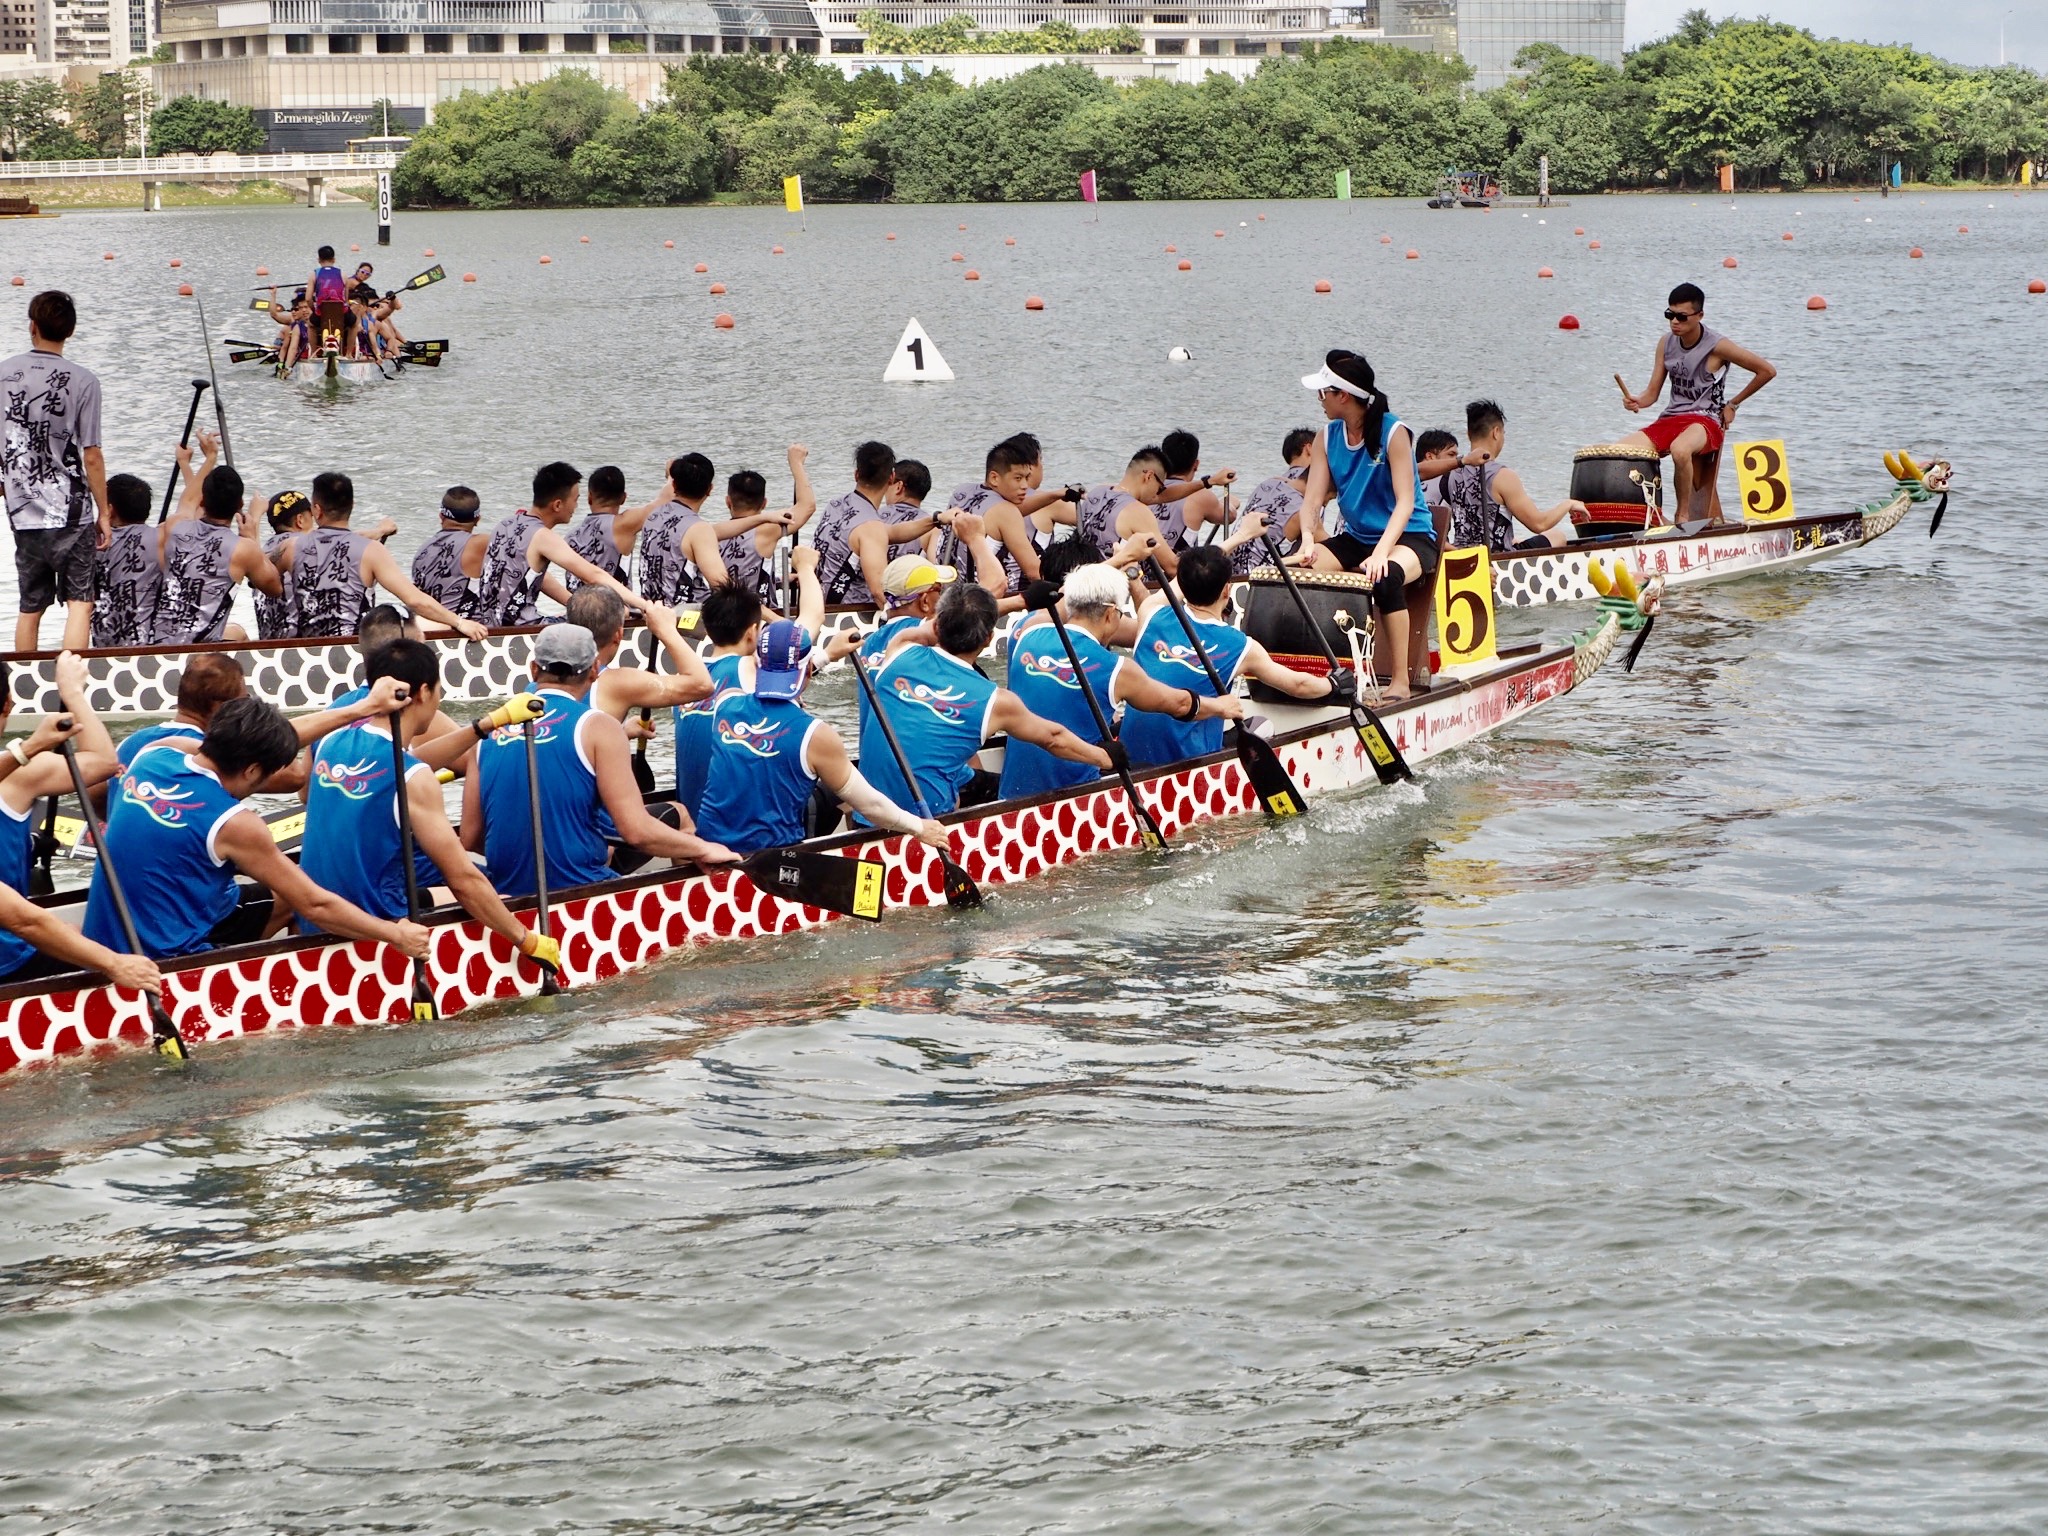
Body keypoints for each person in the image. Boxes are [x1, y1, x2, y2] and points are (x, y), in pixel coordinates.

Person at [83, 691, 432, 961]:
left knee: (274, 895)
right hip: (164, 967)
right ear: (252, 771)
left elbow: (273, 738)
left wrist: (364, 706)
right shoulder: (233, 824)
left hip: (104, 944)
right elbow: (316, 905)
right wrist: (396, 935)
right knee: (300, 894)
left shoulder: (156, 753)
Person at [300, 638, 559, 977]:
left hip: (314, 918)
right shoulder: (413, 778)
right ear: (422, 692)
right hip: (378, 926)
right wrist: (526, 940)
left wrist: (487, 723)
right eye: (439, 690)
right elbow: (463, 881)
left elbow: (404, 765)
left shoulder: (332, 742)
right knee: (496, 894)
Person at [462, 623, 738, 899]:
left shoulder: (487, 731)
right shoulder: (598, 727)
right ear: (594, 670)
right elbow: (637, 832)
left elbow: (470, 838)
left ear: (533, 669)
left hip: (507, 895)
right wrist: (703, 848)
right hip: (582, 891)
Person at [693, 617, 948, 858]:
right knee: (843, 788)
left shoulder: (725, 704)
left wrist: (822, 658)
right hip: (772, 860)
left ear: (758, 662)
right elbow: (871, 806)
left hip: (713, 849)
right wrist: (920, 827)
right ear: (806, 671)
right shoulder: (815, 734)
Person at [861, 580, 1111, 817]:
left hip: (868, 810)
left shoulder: (900, 648)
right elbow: (1054, 738)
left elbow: (933, 626)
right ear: (989, 639)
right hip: (929, 823)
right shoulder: (996, 701)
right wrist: (1107, 757)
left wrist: (1022, 600)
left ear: (937, 626)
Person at [998, 561, 1242, 799]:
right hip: (1078, 800)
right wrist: (1220, 706)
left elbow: (1060, 602)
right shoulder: (1116, 669)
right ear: (1109, 614)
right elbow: (1178, 704)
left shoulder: (1028, 632)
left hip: (1010, 795)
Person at [0, 651, 158, 989]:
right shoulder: (24, 775)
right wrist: (72, 693)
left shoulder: (21, 770)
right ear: (8, 707)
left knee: (69, 935)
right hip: (8, 962)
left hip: (17, 941)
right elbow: (104, 762)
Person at [1291, 349, 1440, 702]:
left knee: (1384, 576)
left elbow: (1405, 501)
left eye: (1323, 393)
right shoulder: (1326, 437)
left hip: (1410, 537)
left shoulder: (1394, 432)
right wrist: (1309, 541)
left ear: (1343, 396)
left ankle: (1400, 681)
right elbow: (1312, 502)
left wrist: (1381, 553)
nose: (1319, 400)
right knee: (1300, 575)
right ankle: (1319, 675)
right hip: (1358, 538)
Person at [1119, 545, 1347, 767]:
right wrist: (1333, 684)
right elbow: (1298, 685)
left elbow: (1178, 584)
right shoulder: (1241, 645)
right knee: (1261, 726)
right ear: (1227, 591)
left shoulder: (1151, 611)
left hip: (1133, 757)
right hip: (1191, 762)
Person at [675, 549, 826, 822]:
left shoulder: (686, 679)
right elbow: (813, 616)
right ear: (753, 633)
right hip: (736, 829)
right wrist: (805, 566)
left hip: (691, 823)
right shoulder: (751, 666)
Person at [1618, 282, 1777, 526]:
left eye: (1681, 317)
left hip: (1705, 420)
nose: (1674, 322)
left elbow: (1766, 371)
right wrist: (1637, 400)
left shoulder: (1717, 345)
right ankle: (1649, 518)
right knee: (1618, 452)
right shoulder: (1665, 343)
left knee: (1680, 449)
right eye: (1669, 315)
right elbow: (1652, 393)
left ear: (1699, 315)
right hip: (1671, 418)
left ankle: (1683, 516)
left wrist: (1733, 404)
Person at [2, 290, 108, 653]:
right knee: (80, 603)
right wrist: (105, 513)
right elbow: (91, 454)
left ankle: (21, 689)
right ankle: (70, 691)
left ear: (32, 326)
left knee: (30, 606)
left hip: (23, 511)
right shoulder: (84, 381)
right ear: (71, 331)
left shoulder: (3, 375)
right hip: (71, 513)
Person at [287, 471, 487, 641]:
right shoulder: (371, 550)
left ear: (316, 510)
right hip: (356, 647)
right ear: (352, 505)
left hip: (306, 648)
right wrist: (460, 622)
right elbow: (415, 600)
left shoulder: (289, 547)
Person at [476, 462, 649, 628]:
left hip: (492, 624)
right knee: (616, 615)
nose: (576, 505)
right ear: (558, 505)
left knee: (595, 611)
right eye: (575, 499)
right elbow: (593, 574)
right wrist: (644, 606)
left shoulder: (505, 524)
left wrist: (572, 604)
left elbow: (531, 578)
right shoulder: (544, 537)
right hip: (521, 629)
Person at [152, 444, 283, 645]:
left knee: (237, 632)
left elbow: (188, 499)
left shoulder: (175, 527)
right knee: (238, 634)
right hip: (202, 651)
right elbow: (274, 587)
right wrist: (252, 529)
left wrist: (209, 458)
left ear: (202, 501)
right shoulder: (243, 549)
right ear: (239, 505)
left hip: (159, 645)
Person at [1424, 401, 1581, 555]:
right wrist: (1568, 504)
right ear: (1496, 432)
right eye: (1503, 434)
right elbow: (1539, 524)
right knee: (1557, 536)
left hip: (1463, 555)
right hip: (1497, 557)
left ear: (1468, 434)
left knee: (1516, 539)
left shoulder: (1451, 473)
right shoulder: (1504, 476)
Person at [935, 435, 1077, 597]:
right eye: (1017, 478)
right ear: (994, 477)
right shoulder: (1006, 512)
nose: (1024, 486)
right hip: (990, 601)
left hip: (950, 594)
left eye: (1026, 478)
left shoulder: (962, 492)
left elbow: (1007, 511)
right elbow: (1034, 573)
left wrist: (1056, 494)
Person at [813, 441, 939, 609]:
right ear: (891, 478)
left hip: (816, 603)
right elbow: (879, 593)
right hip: (848, 614)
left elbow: (892, 532)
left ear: (856, 474)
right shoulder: (871, 528)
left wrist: (936, 519)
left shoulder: (835, 505)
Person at [705, 447, 812, 604]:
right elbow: (807, 506)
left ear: (728, 501)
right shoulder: (767, 530)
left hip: (722, 611)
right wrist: (796, 463)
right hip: (758, 616)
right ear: (764, 503)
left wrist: (776, 581)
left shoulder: (709, 533)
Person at [1224, 428, 1319, 577]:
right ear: (1309, 448)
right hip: (1261, 580)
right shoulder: (1313, 490)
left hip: (1230, 571)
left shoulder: (1266, 484)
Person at [90, 472, 161, 648]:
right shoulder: (161, 539)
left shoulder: (89, 544)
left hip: (102, 646)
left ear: (110, 510)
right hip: (147, 646)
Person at [562, 465, 657, 593]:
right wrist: (671, 476)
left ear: (589, 497)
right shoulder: (624, 525)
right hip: (616, 609)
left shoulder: (570, 537)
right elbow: (661, 503)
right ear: (623, 498)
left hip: (576, 609)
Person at [409, 486, 486, 622]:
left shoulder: (423, 549)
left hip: (427, 624)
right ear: (477, 519)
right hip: (465, 629)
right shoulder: (480, 544)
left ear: (441, 516)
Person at [1157, 429, 1239, 549]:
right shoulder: (1200, 496)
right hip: (1177, 565)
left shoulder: (1146, 491)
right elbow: (1229, 516)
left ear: (1162, 463)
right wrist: (1232, 501)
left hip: (1140, 563)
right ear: (1195, 464)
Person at [252, 488, 314, 640]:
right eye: (311, 516)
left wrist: (255, 516)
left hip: (266, 642)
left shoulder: (261, 551)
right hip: (298, 643)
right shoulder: (303, 546)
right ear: (300, 520)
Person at [306, 245, 349, 357]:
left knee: (310, 325)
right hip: (341, 313)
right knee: (354, 324)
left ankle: (314, 353)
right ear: (334, 259)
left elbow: (308, 299)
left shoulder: (314, 274)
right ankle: (348, 353)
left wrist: (313, 309)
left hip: (321, 313)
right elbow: (346, 299)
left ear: (319, 260)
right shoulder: (343, 274)